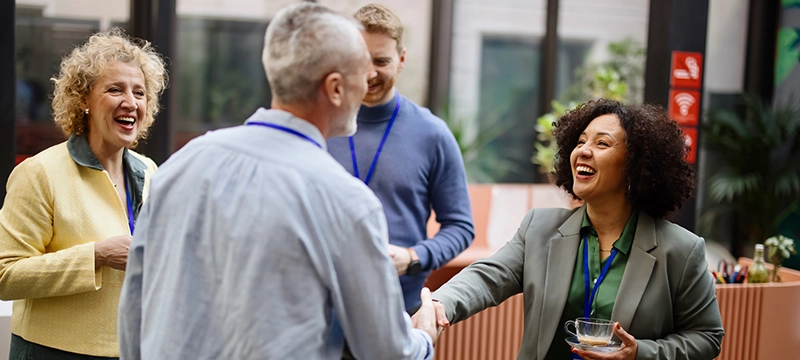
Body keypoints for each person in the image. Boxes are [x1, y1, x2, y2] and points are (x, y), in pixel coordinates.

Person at [118, 3, 440, 359]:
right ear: (335, 88)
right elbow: (387, 352)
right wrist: (424, 336)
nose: (368, 83)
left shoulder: (180, 166)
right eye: (361, 74)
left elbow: (134, 310)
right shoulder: (348, 203)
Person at [432, 99, 724, 360]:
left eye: (602, 144)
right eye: (581, 141)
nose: (583, 151)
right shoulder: (539, 228)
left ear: (636, 166)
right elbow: (486, 278)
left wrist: (640, 353)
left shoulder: (682, 251)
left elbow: (706, 338)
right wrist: (438, 304)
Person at [0, 28, 166, 359]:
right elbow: (6, 275)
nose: (130, 102)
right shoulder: (40, 173)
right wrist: (96, 255)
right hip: (51, 352)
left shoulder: (150, 171)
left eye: (140, 92)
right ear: (83, 99)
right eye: (115, 89)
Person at [327, 3, 474, 313]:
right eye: (361, 60)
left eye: (381, 61)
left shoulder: (432, 133)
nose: (369, 73)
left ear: (402, 60)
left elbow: (460, 226)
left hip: (398, 311)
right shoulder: (319, 123)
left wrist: (413, 258)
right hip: (320, 309)